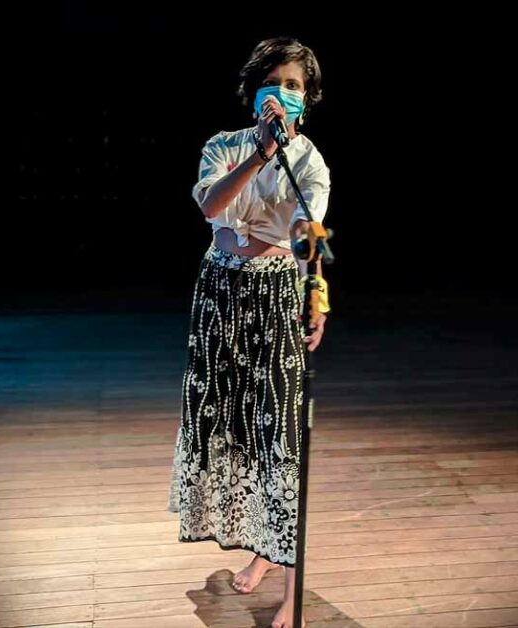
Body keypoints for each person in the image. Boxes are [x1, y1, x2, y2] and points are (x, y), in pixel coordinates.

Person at [166, 36, 331, 628]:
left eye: (294, 85)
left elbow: (308, 232)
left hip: (275, 294)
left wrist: (316, 293)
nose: (282, 92)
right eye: (273, 82)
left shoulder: (310, 163)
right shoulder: (224, 146)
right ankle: (261, 549)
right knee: (229, 423)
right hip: (219, 294)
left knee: (279, 433)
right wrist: (260, 154)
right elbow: (212, 209)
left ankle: (291, 586)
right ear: (253, 92)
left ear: (307, 98)